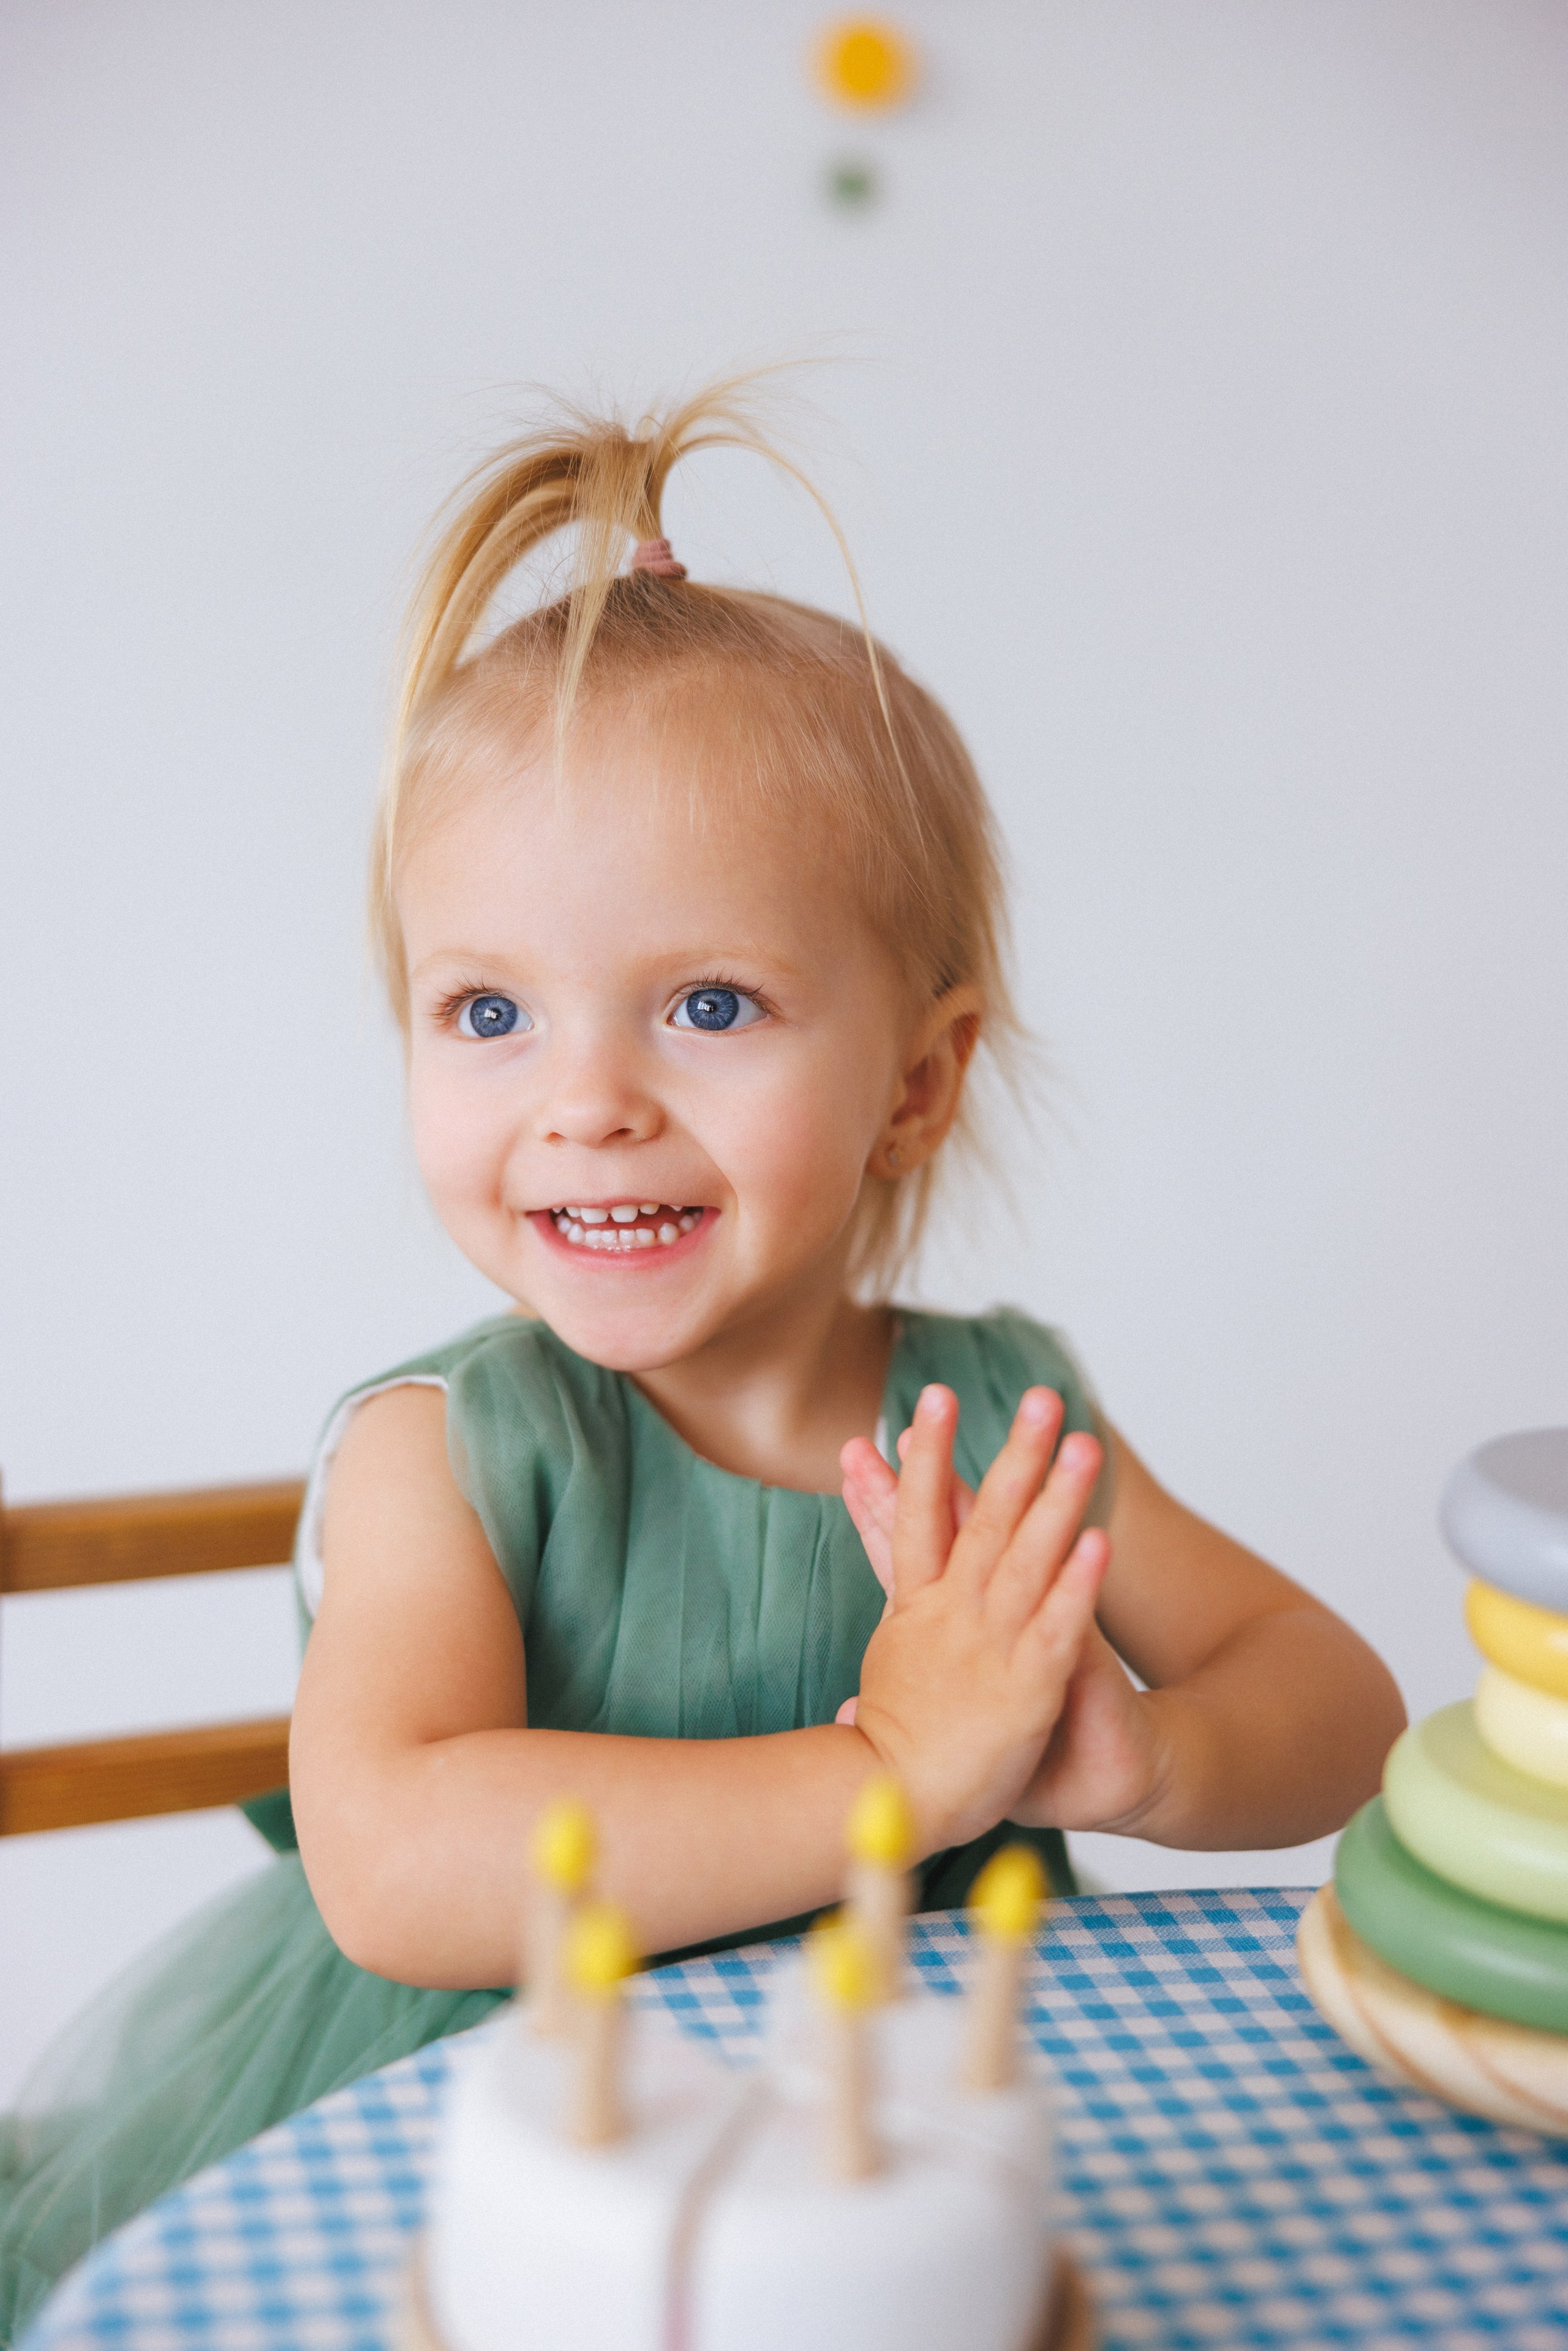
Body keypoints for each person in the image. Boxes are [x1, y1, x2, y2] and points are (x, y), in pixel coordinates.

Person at [0, 380, 1405, 2339]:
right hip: (482, 2159)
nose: (586, 1105)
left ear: (915, 1082)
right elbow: (397, 1859)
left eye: (710, 1003)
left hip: (878, 2161)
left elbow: (1343, 1708)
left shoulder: (992, 1430)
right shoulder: (457, 1451)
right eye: (486, 1008)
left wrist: (1146, 1756)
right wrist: (891, 1771)